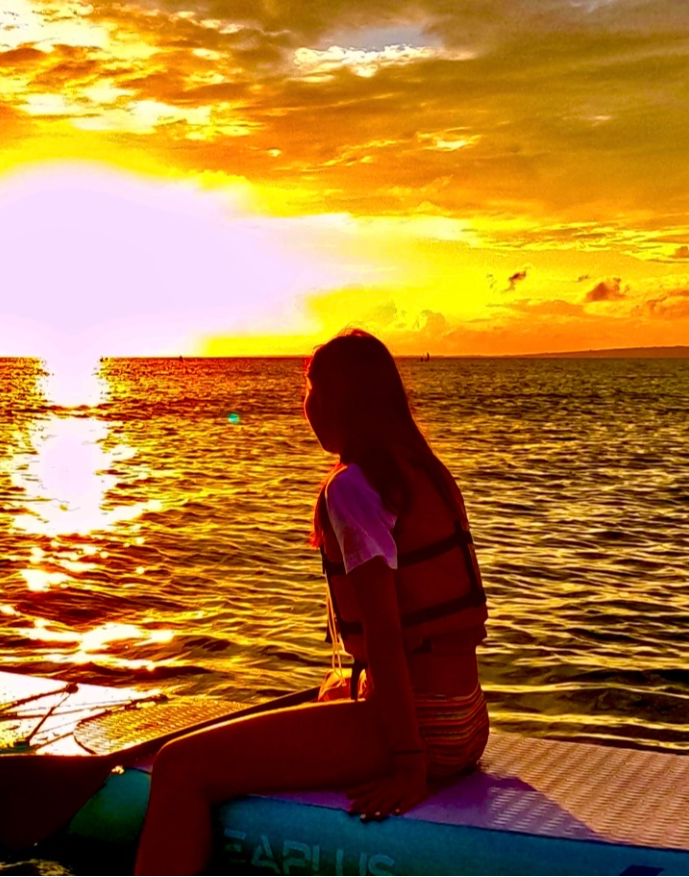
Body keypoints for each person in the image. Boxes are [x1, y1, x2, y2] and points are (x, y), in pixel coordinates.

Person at [134, 329, 490, 876]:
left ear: (345, 402)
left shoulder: (353, 488)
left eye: (314, 389)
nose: (307, 405)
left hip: (423, 732)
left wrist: (409, 761)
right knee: (330, 693)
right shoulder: (426, 473)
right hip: (468, 722)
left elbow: (387, 633)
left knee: (179, 765)